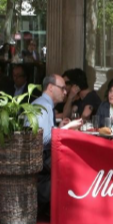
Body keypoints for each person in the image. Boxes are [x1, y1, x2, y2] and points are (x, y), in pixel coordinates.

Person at [30, 74, 82, 211]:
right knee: (77, 163)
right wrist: (66, 129)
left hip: (40, 159)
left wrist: (58, 128)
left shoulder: (44, 104)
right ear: (50, 88)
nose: (65, 92)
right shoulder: (43, 105)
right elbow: (40, 139)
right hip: (39, 160)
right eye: (62, 88)